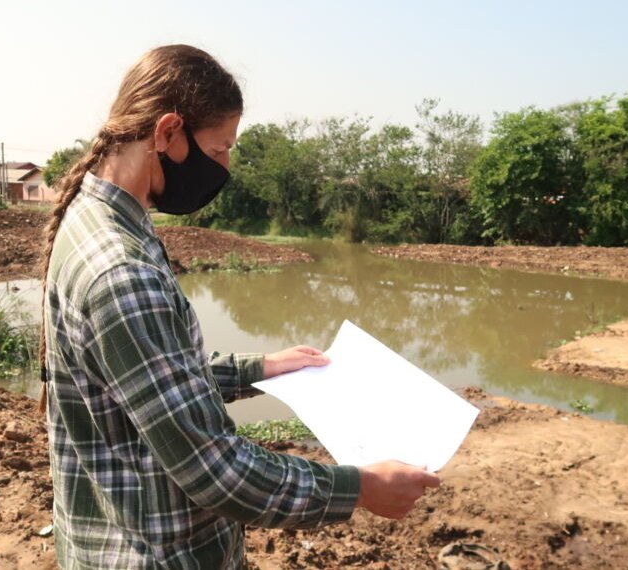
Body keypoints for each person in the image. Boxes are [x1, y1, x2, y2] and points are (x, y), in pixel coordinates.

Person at [39, 44, 440, 569]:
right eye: (221, 148)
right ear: (166, 133)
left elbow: (151, 381)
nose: (225, 166)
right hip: (160, 555)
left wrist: (263, 369)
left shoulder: (96, 223)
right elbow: (213, 469)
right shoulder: (123, 270)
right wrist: (359, 488)